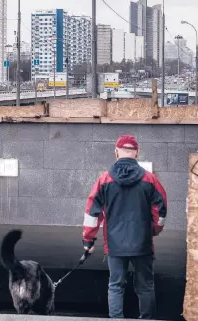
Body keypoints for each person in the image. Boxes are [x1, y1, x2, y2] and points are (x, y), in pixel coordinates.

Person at [81, 135, 167, 319]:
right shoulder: (150, 179)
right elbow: (160, 210)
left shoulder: (104, 180)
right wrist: (153, 230)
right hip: (142, 243)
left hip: (114, 244)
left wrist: (88, 240)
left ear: (116, 152)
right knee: (145, 286)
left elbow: (92, 212)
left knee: (116, 285)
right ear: (136, 153)